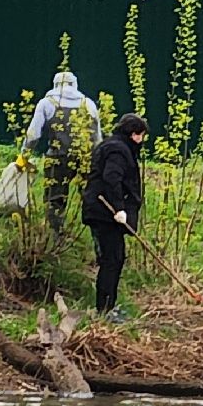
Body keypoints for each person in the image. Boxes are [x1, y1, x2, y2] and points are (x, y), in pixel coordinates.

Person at [80, 113, 147, 320]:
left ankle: (108, 306)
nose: (142, 141)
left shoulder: (112, 145)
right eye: (141, 135)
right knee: (112, 260)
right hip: (105, 212)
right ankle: (104, 310)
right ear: (134, 134)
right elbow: (111, 177)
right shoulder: (118, 150)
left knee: (114, 258)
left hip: (101, 211)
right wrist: (119, 209)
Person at [17, 71, 101, 229]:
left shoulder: (47, 103)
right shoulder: (88, 104)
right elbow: (97, 138)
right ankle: (97, 236)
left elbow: (33, 135)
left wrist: (24, 156)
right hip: (86, 158)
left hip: (58, 158)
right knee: (92, 200)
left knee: (54, 200)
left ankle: (55, 237)